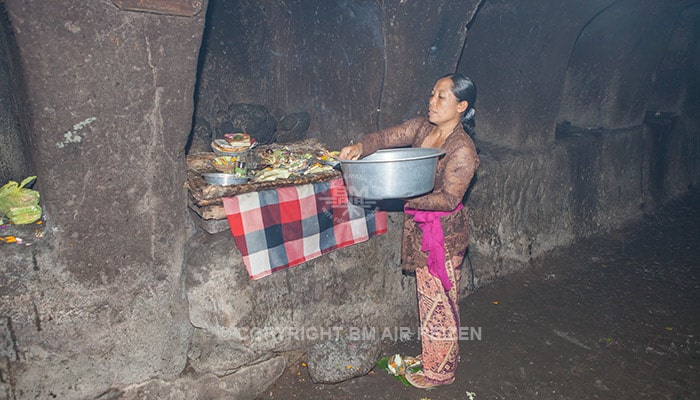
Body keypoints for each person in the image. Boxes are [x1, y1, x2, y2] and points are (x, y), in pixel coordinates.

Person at [339, 73, 480, 388]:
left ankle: (439, 374)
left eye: (441, 96)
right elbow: (389, 137)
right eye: (432, 94)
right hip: (421, 228)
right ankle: (433, 356)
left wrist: (400, 194)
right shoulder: (423, 128)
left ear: (462, 105)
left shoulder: (462, 148)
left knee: (439, 304)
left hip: (443, 235)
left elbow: (449, 198)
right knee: (429, 300)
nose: (432, 101)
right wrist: (360, 146)